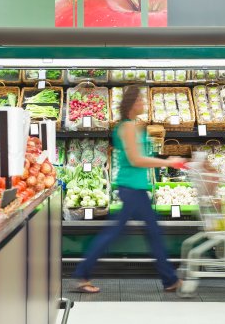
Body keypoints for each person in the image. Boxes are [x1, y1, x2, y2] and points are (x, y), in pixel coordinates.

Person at [73, 85, 187, 293]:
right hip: (131, 188)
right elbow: (135, 159)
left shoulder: (133, 125)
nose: (144, 103)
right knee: (126, 233)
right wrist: (168, 163)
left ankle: (169, 279)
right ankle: (82, 274)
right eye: (141, 100)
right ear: (132, 104)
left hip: (136, 188)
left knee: (145, 233)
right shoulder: (126, 128)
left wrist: (166, 160)